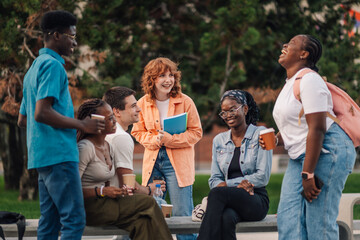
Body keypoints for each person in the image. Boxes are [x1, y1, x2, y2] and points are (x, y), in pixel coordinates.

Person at [17, 10, 101, 240]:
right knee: (74, 220)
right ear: (56, 36)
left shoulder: (33, 69)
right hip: (60, 156)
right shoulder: (54, 66)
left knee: (49, 223)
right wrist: (82, 125)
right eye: (71, 36)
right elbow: (42, 113)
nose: (74, 42)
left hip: (41, 157)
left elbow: (22, 119)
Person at [264, 34, 356, 240]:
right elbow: (297, 125)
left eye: (292, 44)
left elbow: (317, 129)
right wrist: (276, 140)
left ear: (304, 54)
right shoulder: (290, 83)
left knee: (319, 224)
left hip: (328, 151)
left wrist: (308, 174)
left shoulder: (310, 80)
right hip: (302, 156)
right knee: (288, 219)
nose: (285, 45)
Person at [77, 98, 172, 240]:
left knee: (142, 223)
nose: (114, 120)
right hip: (87, 208)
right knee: (149, 203)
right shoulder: (85, 148)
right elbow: (70, 189)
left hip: (105, 203)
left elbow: (107, 182)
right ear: (96, 122)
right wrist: (102, 191)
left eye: (113, 116)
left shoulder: (107, 147)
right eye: (109, 118)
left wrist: (117, 191)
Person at [131, 57, 203, 240]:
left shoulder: (185, 101)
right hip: (153, 162)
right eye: (162, 75)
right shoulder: (142, 103)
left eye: (171, 75)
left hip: (178, 164)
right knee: (152, 210)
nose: (168, 80)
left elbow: (196, 133)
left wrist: (171, 140)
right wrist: (154, 140)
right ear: (152, 79)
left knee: (182, 215)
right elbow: (137, 132)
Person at [197, 90, 272, 240]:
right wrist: (232, 187)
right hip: (227, 200)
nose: (228, 115)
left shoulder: (260, 134)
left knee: (217, 194)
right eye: (224, 112)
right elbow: (214, 179)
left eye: (232, 109)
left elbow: (263, 176)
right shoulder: (219, 140)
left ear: (244, 109)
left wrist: (228, 185)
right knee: (226, 217)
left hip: (255, 199)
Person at [103, 86, 166, 194]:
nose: (139, 109)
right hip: (116, 200)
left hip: (105, 197)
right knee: (158, 204)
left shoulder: (107, 132)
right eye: (133, 106)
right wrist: (150, 189)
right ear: (117, 112)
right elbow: (127, 184)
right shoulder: (121, 137)